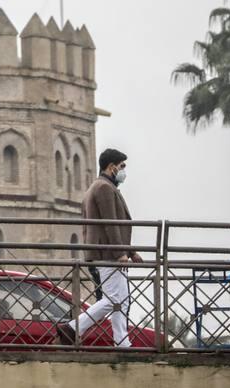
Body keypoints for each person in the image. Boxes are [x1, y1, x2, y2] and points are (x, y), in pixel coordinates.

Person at [58, 147, 138, 348]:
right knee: (114, 300)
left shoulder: (100, 187)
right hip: (107, 253)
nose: (123, 171)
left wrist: (131, 252)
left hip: (107, 252)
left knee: (123, 300)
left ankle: (122, 342)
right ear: (111, 167)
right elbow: (110, 223)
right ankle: (73, 328)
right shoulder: (103, 188)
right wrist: (121, 253)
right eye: (121, 167)